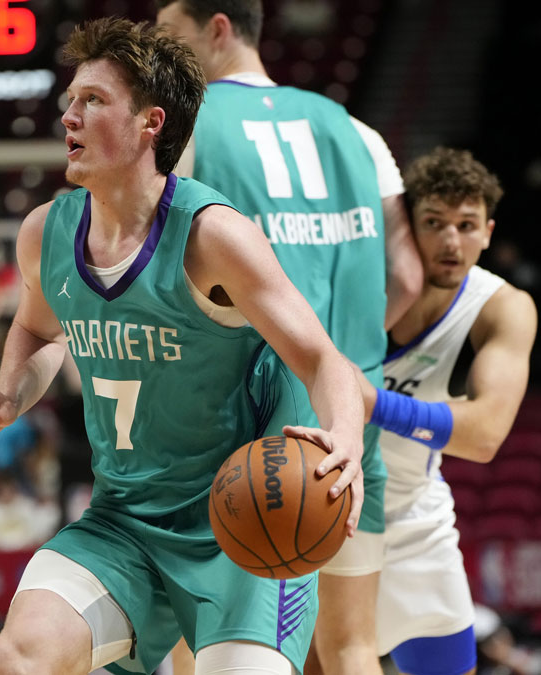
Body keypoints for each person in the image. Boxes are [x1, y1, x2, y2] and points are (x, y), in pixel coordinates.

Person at [0, 17, 366, 675]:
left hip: (243, 524)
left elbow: (321, 358)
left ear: (151, 123)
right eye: (71, 100)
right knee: (17, 659)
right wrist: (8, 394)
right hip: (123, 523)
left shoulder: (213, 237)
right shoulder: (45, 233)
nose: (70, 117)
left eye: (93, 100)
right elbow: (40, 329)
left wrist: (346, 440)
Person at [153, 2, 422, 672]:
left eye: (170, 36)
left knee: (201, 641)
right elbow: (408, 277)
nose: (160, 54)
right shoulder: (356, 130)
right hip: (348, 424)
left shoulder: (186, 125)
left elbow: (160, 276)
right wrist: (345, 348)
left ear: (218, 29)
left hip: (238, 430)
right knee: (351, 646)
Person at [360, 147, 537, 675]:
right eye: (434, 223)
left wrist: (371, 401)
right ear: (406, 226)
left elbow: (485, 436)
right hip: (323, 508)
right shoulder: (358, 281)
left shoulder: (502, 307)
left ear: (488, 232)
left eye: (466, 225)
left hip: (413, 520)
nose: (451, 241)